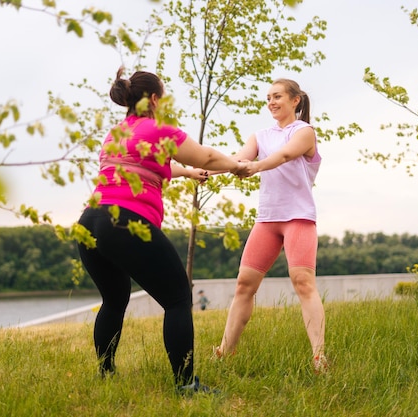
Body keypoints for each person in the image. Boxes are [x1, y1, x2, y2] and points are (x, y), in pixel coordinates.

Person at [76, 67, 244, 394]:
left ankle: (106, 373)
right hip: (125, 221)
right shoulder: (159, 129)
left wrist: (186, 173)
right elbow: (208, 156)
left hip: (91, 222)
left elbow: (152, 163)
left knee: (113, 299)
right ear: (154, 99)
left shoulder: (116, 133)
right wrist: (236, 165)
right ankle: (186, 385)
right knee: (178, 298)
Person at [214, 78, 327, 373]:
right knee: (244, 285)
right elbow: (239, 158)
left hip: (298, 217)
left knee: (303, 283)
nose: (272, 102)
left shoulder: (304, 132)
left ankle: (318, 357)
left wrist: (256, 166)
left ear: (295, 101)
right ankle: (225, 352)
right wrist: (206, 168)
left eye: (278, 96)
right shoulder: (260, 135)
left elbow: (285, 155)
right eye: (268, 98)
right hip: (267, 219)